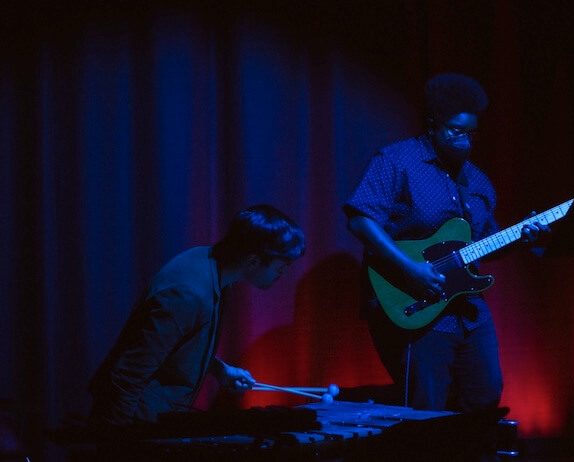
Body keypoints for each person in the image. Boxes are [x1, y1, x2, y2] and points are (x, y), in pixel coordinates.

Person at [344, 73, 547, 414]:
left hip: (468, 307)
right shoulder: (397, 161)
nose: (465, 141)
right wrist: (411, 270)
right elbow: (360, 218)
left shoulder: (478, 180)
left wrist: (522, 240)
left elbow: (484, 243)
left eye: (472, 133)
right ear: (433, 124)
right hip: (418, 304)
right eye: (456, 131)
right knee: (426, 408)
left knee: (485, 395)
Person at [88, 204, 306, 425]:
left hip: (155, 422)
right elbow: (126, 378)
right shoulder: (188, 295)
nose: (284, 272)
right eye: (282, 266)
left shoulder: (214, 268)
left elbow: (176, 343)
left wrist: (221, 370)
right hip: (136, 425)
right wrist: (117, 445)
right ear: (252, 261)